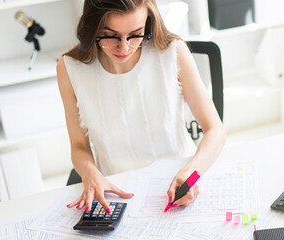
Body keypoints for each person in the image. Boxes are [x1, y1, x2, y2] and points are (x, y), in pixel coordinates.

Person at [56, 0, 225, 214]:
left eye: (136, 33)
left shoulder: (173, 52)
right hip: (116, 190)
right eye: (111, 35)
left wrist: (191, 174)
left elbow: (215, 130)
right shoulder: (70, 68)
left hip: (179, 184)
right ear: (93, 25)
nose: (124, 47)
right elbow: (79, 147)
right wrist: (90, 174)